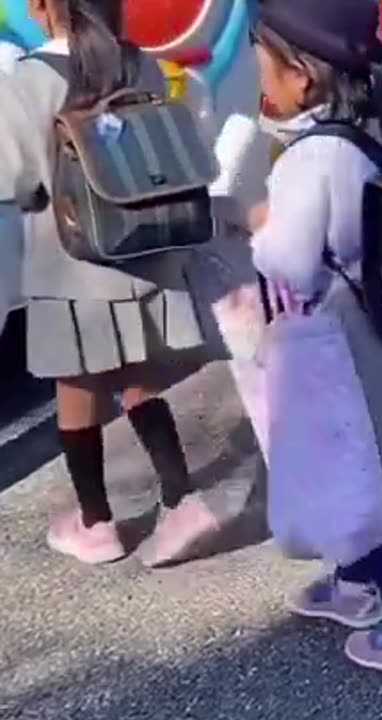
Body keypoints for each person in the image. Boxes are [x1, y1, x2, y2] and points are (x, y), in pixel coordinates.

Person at [246, 0, 382, 677]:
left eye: (264, 66)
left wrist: (256, 223)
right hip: (367, 326)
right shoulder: (361, 134)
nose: (259, 81)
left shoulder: (306, 161)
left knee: (355, 484)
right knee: (347, 472)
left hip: (336, 346)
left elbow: (286, 261)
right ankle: (352, 585)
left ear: (302, 78)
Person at [0, 0, 216, 568]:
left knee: (78, 388)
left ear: (44, 6)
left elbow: (17, 178)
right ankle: (182, 498)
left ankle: (96, 523)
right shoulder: (135, 63)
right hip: (142, 245)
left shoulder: (28, 79)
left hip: (70, 259)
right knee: (138, 375)